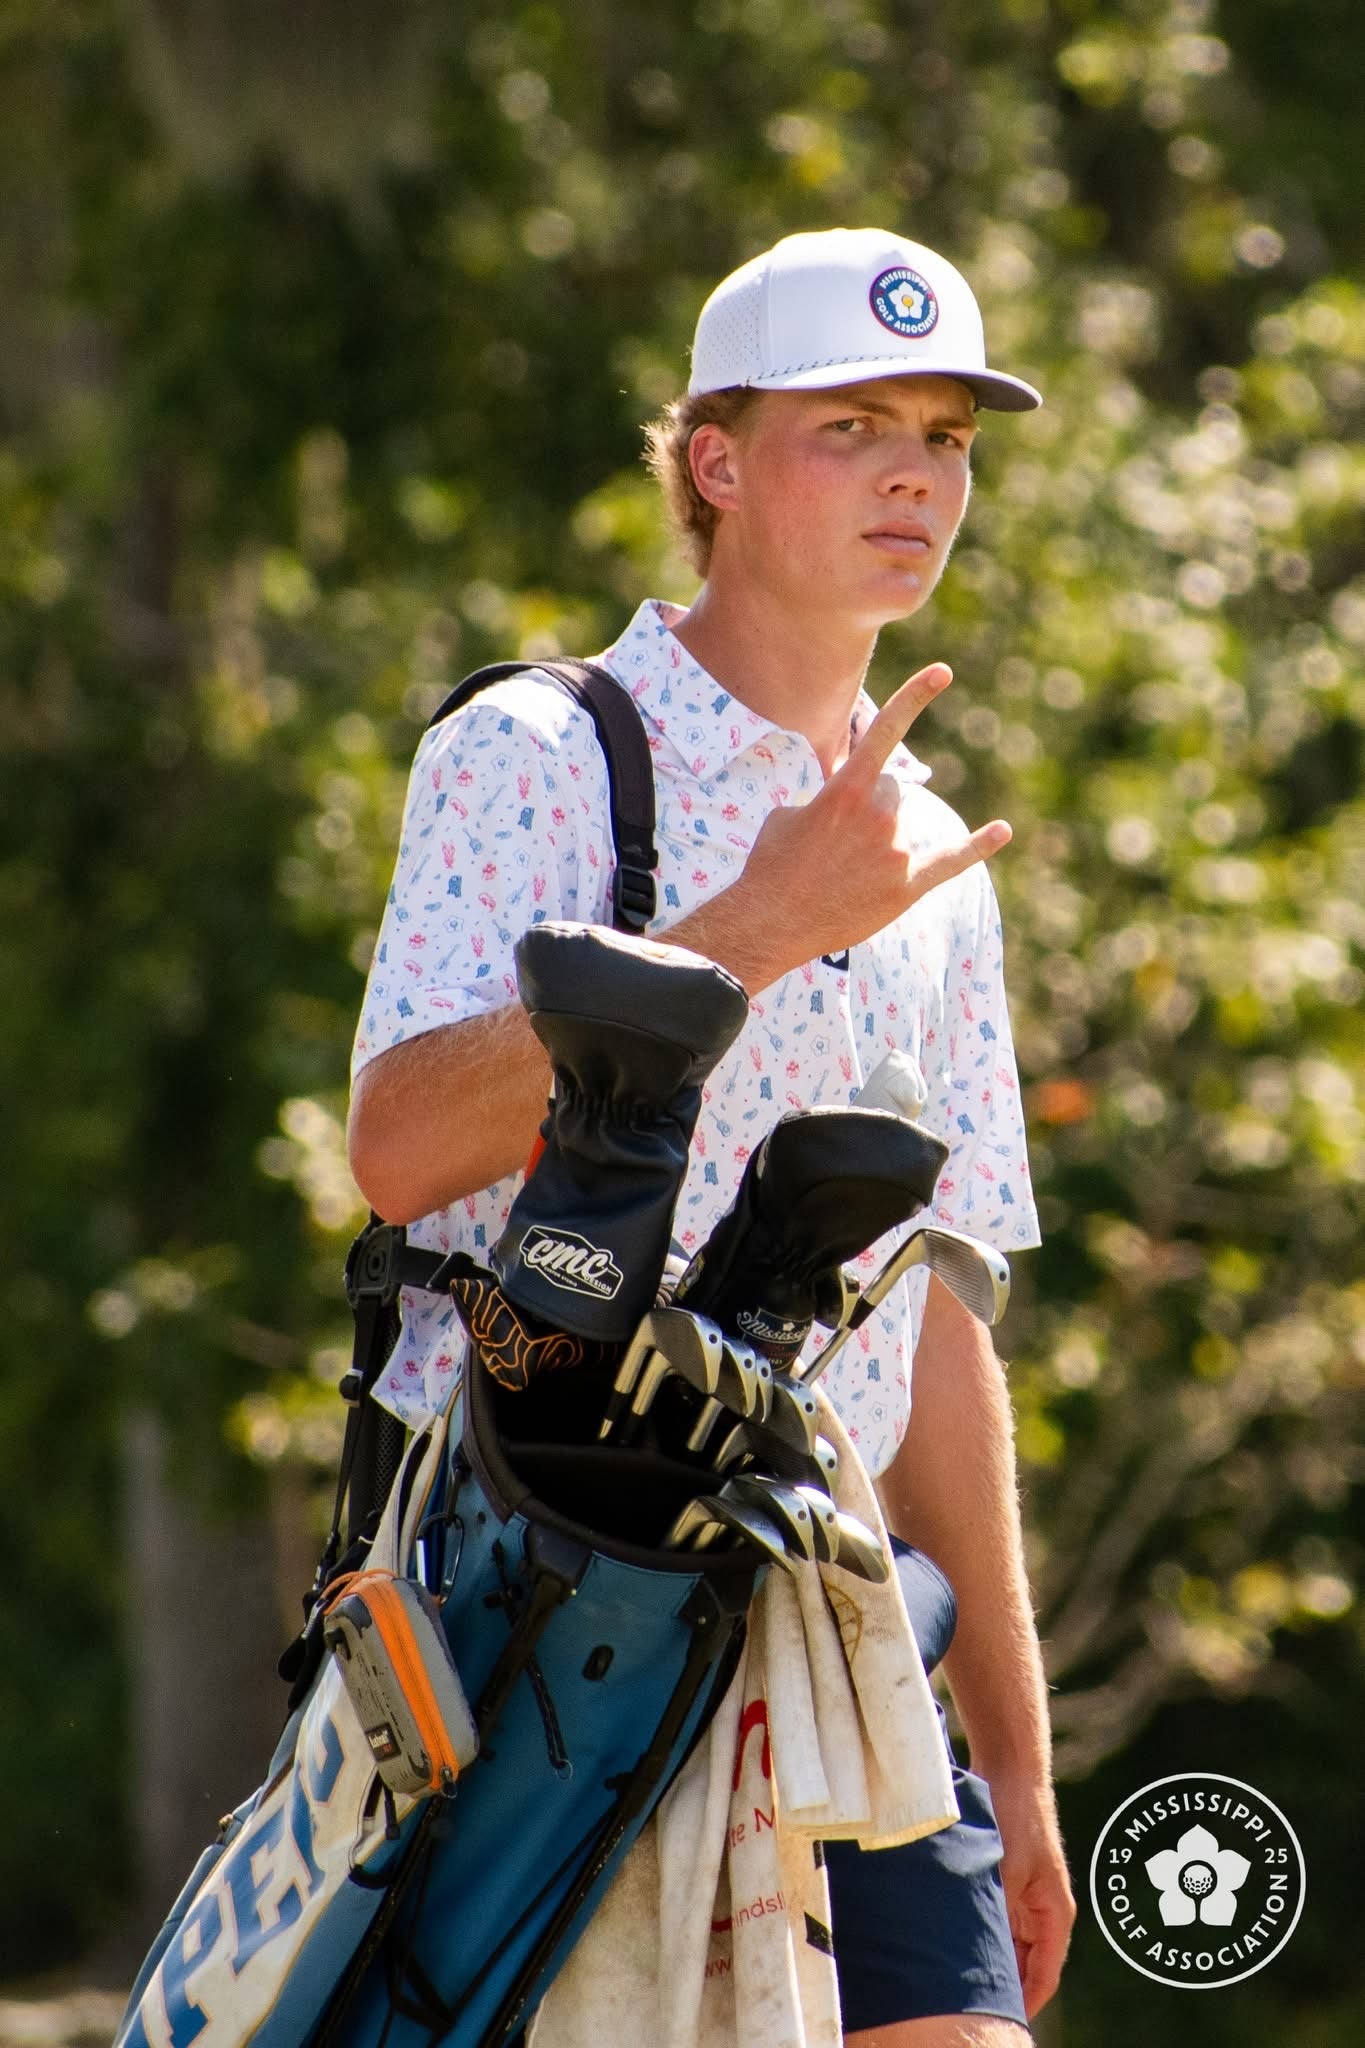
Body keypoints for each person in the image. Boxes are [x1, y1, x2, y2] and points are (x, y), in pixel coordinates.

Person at [347, 227, 1076, 2046]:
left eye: (948, 435)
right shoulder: (537, 749)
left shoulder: (935, 855)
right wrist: (750, 924)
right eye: (853, 426)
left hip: (845, 1630)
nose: (918, 472)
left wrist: (1017, 1764)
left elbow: (939, 1331)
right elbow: (396, 1148)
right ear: (718, 464)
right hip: (547, 1612)